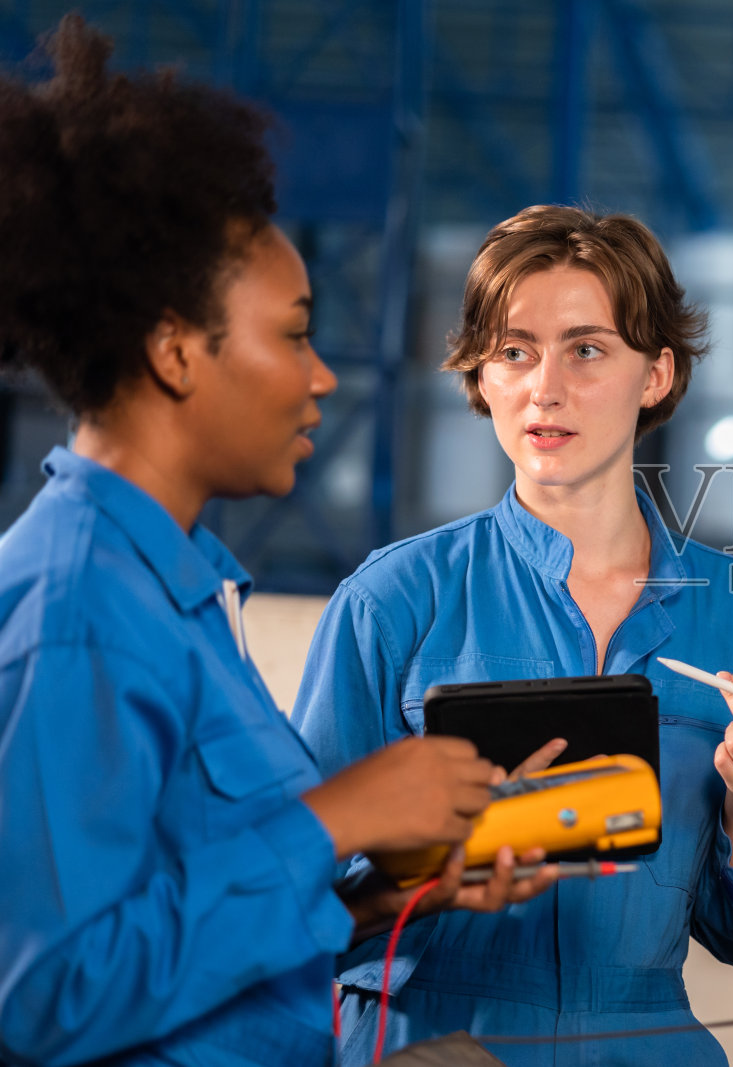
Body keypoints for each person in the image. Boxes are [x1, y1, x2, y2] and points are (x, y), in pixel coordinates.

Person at [0, 19, 553, 1066]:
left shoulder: (176, 592)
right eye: (294, 333)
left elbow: (179, 930)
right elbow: (39, 996)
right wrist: (334, 817)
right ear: (175, 351)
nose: (322, 375)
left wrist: (384, 897)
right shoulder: (78, 614)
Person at [292, 205, 733, 1064]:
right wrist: (437, 868)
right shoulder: (392, 601)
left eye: (586, 349)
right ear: (481, 374)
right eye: (514, 350)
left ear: (654, 374)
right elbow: (288, 903)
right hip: (432, 1040)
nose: (545, 387)